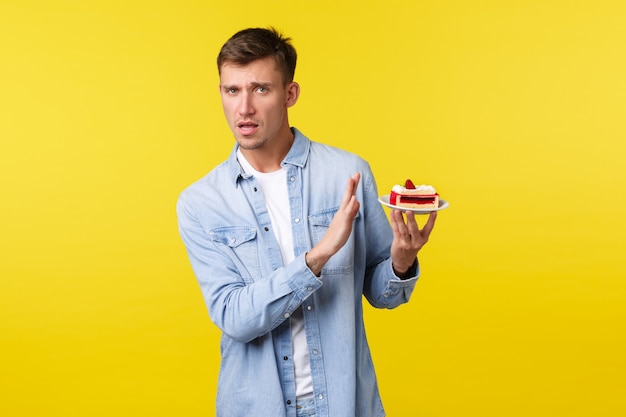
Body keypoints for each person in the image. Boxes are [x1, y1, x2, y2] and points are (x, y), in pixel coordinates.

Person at [177, 27, 437, 417]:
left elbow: (384, 294)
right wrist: (318, 255)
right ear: (221, 94)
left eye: (260, 89)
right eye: (232, 91)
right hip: (255, 406)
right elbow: (234, 317)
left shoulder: (347, 174)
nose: (244, 108)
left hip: (344, 403)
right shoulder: (201, 202)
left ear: (290, 94)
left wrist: (401, 262)